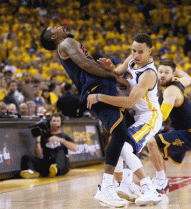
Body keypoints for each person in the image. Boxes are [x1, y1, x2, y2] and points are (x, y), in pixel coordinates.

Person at [40, 25, 130, 207]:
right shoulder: (66, 42)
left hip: (97, 87)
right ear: (55, 36)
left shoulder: (66, 44)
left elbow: (88, 64)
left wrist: (108, 71)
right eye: (54, 27)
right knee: (120, 133)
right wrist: (115, 77)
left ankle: (124, 184)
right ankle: (107, 187)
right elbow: (86, 64)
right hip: (97, 88)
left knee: (123, 133)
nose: (60, 25)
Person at [87, 33, 164, 206]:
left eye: (140, 52)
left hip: (149, 117)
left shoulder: (149, 74)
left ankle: (150, 189)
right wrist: (110, 68)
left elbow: (129, 101)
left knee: (124, 147)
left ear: (150, 52)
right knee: (121, 145)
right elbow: (117, 72)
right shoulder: (132, 60)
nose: (136, 55)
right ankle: (127, 185)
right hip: (136, 116)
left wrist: (100, 97)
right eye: (134, 50)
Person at [146, 59, 191, 192]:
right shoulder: (180, 81)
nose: (163, 75)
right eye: (160, 72)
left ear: (173, 75)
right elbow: (188, 77)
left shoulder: (170, 91)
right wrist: (173, 67)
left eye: (167, 72)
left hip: (190, 134)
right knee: (159, 149)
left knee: (151, 143)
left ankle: (161, 180)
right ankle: (162, 180)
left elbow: (163, 116)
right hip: (184, 130)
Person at [20, 113, 78, 178]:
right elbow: (39, 155)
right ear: (50, 122)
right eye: (53, 121)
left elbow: (75, 148)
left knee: (61, 152)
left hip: (62, 165)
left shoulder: (64, 136)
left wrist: (60, 140)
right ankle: (32, 172)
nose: (55, 123)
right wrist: (38, 140)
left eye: (57, 121)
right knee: (26, 158)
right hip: (47, 163)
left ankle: (56, 169)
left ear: (60, 123)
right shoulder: (44, 136)